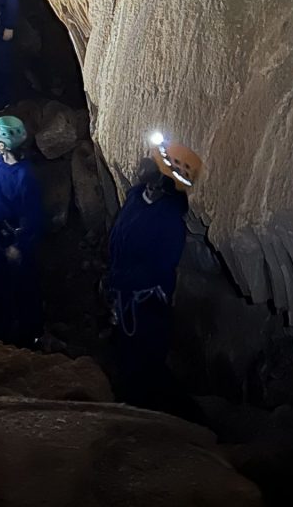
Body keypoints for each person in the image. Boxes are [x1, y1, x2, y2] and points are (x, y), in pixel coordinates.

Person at [106, 137, 202, 417]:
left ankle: (147, 413)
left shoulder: (169, 220)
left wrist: (120, 282)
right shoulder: (137, 197)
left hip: (146, 303)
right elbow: (119, 237)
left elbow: (159, 269)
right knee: (126, 354)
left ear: (166, 180)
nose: (146, 165)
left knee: (144, 363)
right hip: (125, 294)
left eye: (157, 164)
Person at [0, 115, 43, 347]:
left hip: (14, 236)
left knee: (23, 284)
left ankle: (31, 333)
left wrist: (19, 246)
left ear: (2, 144)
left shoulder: (23, 176)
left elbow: (33, 216)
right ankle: (0, 329)